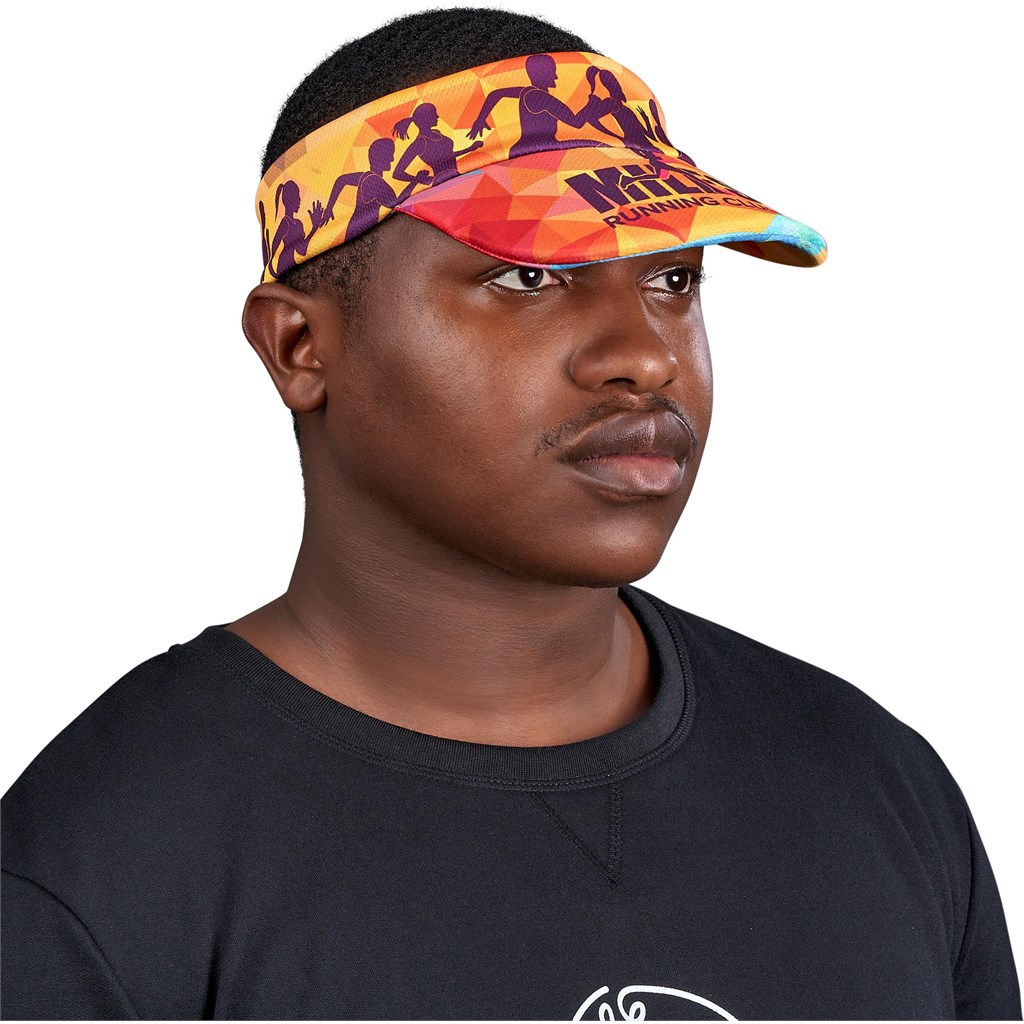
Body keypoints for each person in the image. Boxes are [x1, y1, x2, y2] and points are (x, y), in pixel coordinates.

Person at [1, 7, 1019, 1021]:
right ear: (300, 348)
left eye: (673, 278)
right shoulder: (97, 878)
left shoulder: (876, 788)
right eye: (528, 276)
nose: (645, 354)